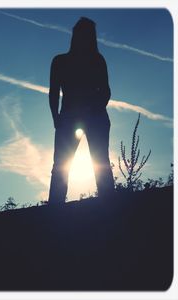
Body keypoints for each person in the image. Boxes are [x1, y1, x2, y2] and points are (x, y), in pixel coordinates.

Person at [48, 17, 114, 204]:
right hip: (70, 118)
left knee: (100, 163)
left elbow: (106, 91)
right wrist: (56, 119)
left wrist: (96, 108)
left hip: (93, 117)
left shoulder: (97, 61)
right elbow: (53, 93)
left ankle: (110, 207)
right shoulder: (60, 61)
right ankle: (55, 211)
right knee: (61, 166)